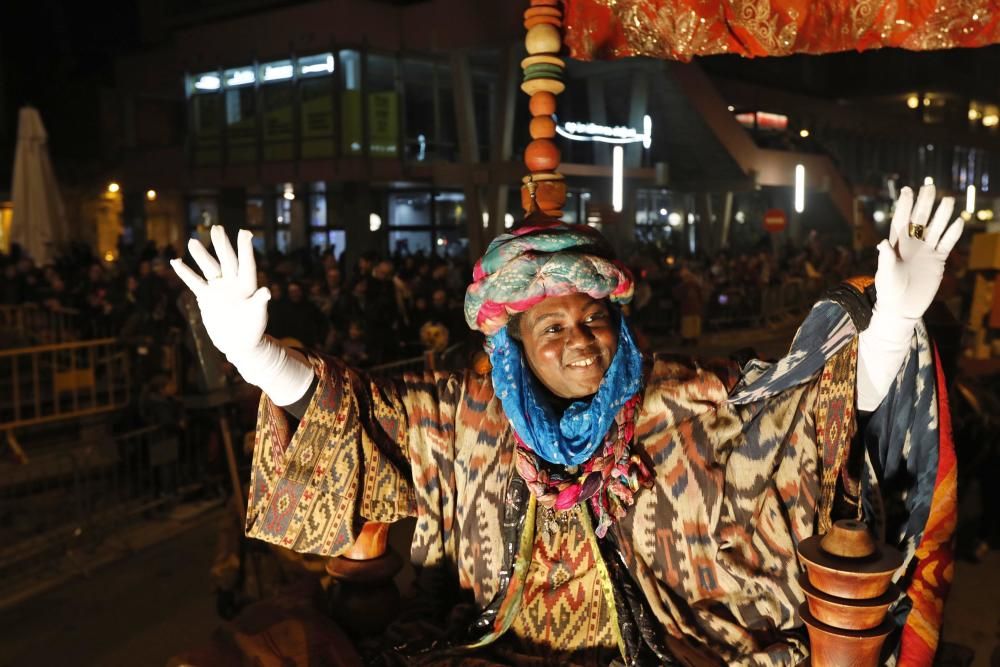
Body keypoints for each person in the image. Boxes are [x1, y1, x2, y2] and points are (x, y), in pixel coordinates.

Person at [171, 185, 960, 666]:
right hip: (485, 646)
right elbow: (366, 411)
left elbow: (795, 419)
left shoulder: (676, 397)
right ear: (513, 347)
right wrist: (259, 355)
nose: (581, 339)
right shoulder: (467, 408)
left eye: (595, 318)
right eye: (553, 327)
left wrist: (891, 324)